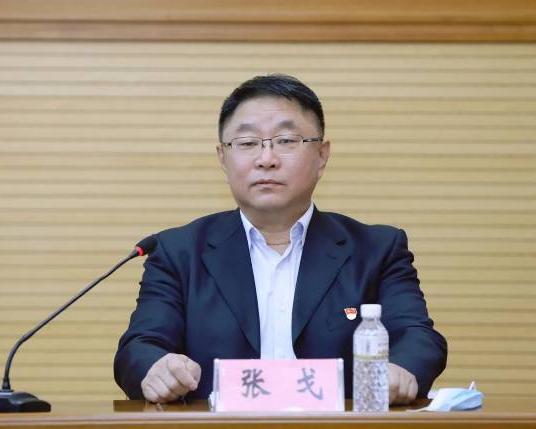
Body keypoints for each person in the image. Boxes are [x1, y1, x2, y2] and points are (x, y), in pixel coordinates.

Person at [114, 74, 447, 405]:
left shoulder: (376, 249)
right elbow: (139, 348)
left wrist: (401, 369)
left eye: (286, 140)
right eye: (247, 143)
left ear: (322, 156)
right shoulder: (177, 252)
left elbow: (417, 336)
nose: (266, 159)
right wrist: (155, 368)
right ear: (223, 160)